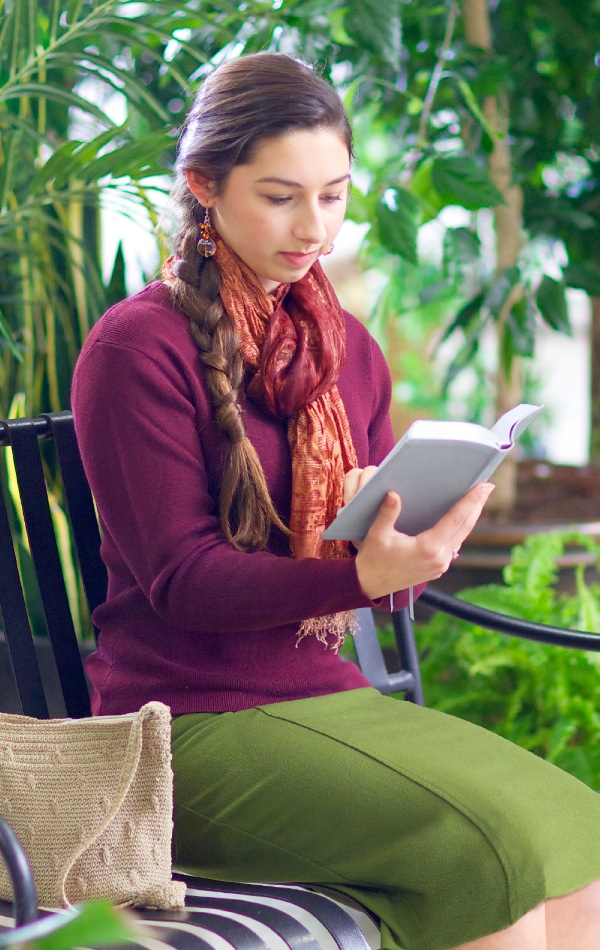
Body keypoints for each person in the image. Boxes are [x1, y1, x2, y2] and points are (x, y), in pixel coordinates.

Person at [71, 52, 600, 950]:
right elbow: (184, 583)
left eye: (335, 195)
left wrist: (408, 548)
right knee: (490, 852)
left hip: (324, 693)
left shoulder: (345, 347)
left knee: (580, 828)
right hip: (182, 727)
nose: (313, 226)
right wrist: (357, 580)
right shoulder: (137, 348)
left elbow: (381, 587)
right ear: (204, 186)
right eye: (280, 196)